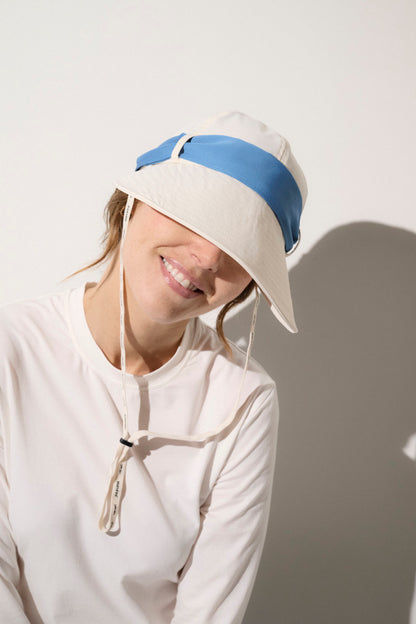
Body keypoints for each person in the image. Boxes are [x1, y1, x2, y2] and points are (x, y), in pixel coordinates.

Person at [0, 111, 307, 623]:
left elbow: (209, 610)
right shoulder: (12, 347)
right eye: (198, 216)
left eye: (240, 247)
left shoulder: (243, 400)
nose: (208, 257)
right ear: (137, 202)